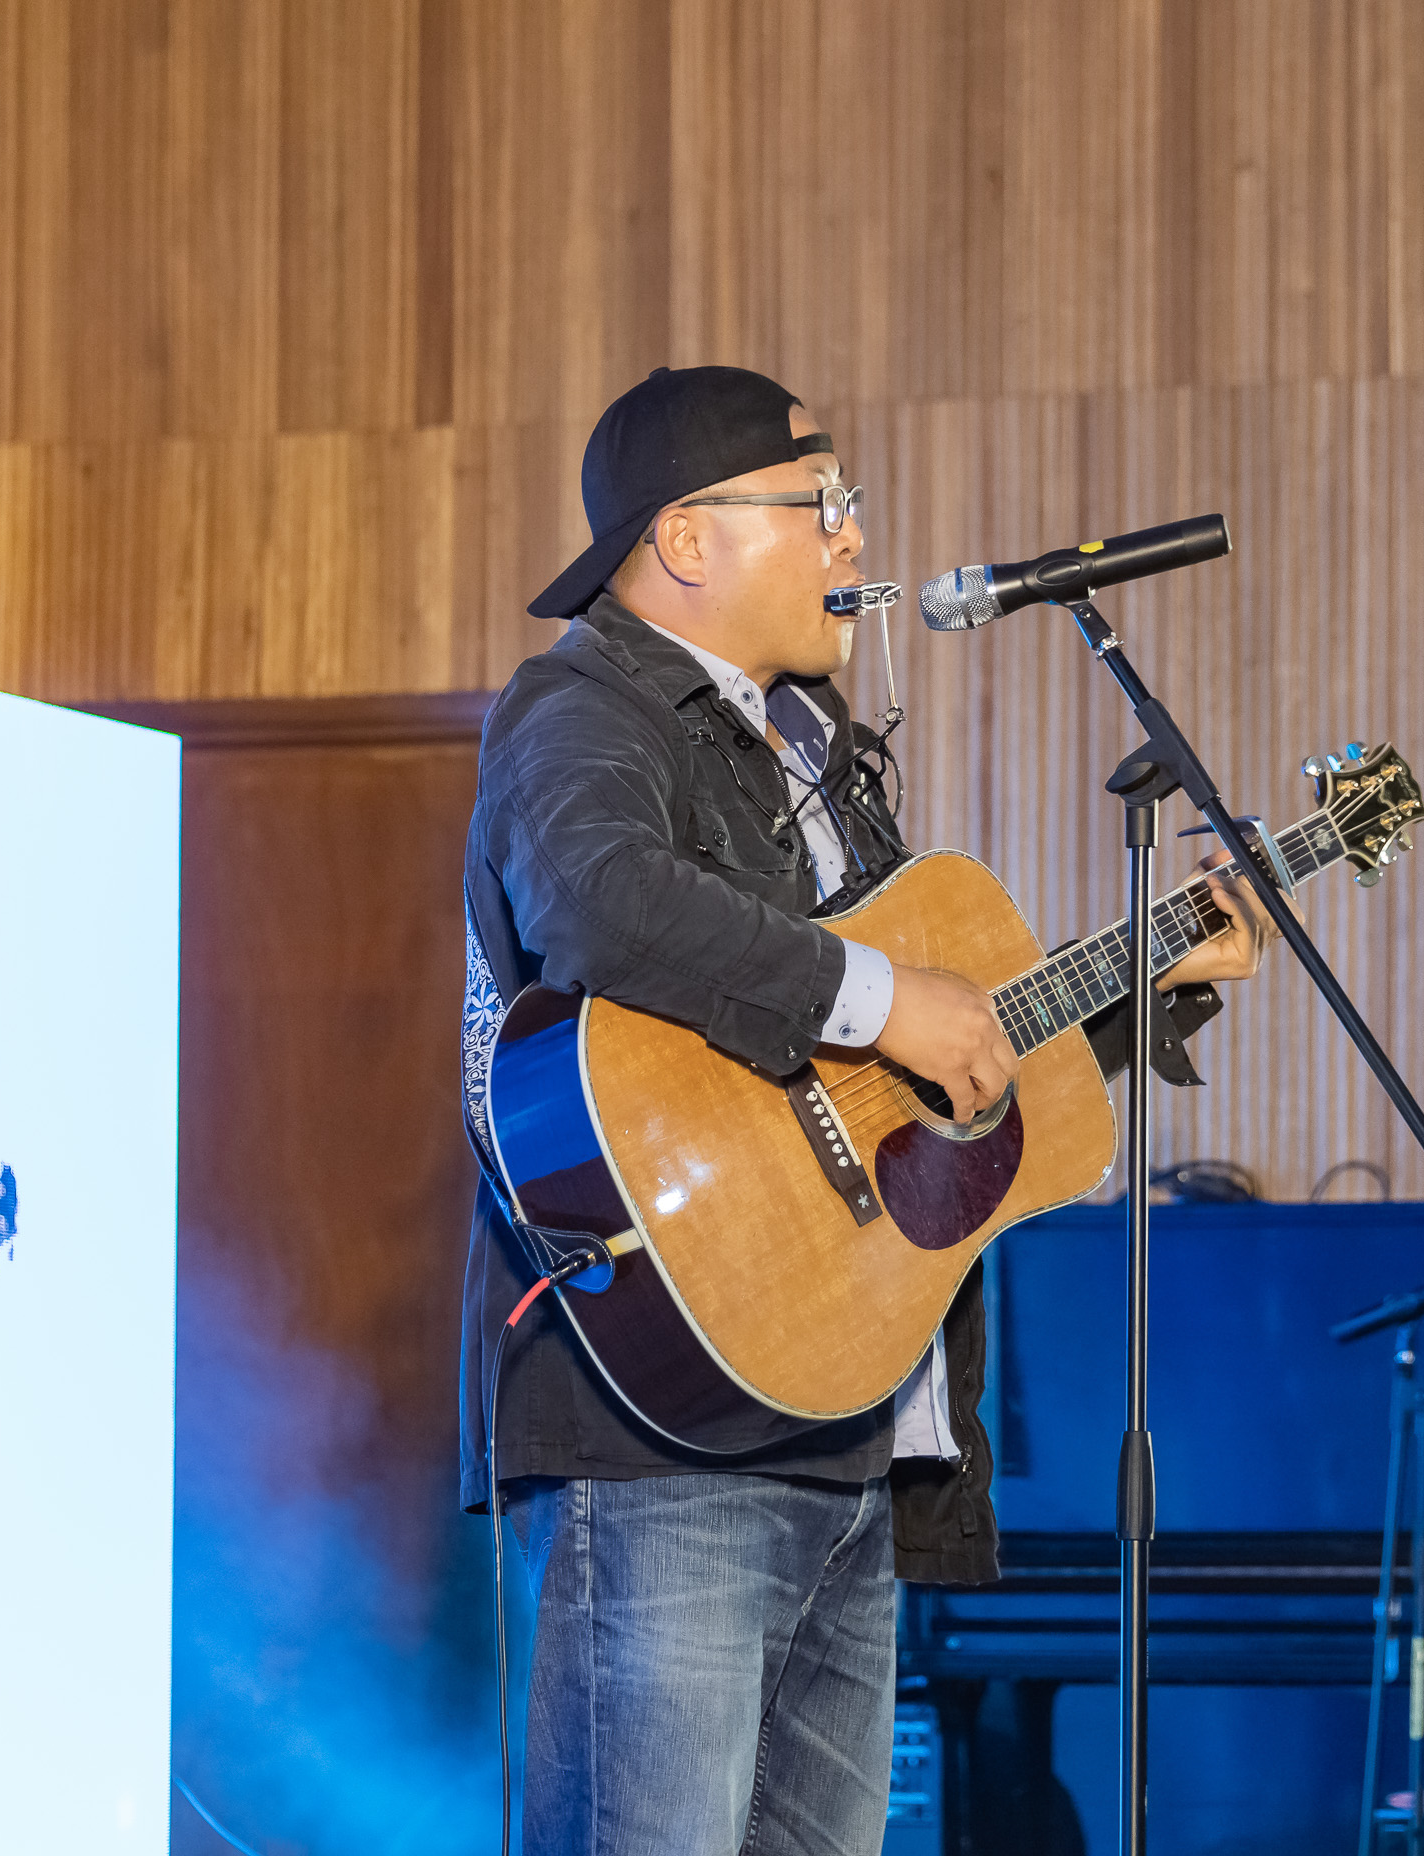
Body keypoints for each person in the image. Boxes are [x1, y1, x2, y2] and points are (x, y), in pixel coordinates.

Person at [458, 365, 1281, 1855]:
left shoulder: (823, 750)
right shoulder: (580, 704)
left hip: (856, 1428)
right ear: (689, 541)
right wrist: (887, 997)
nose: (854, 542)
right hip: (668, 1440)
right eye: (819, 506)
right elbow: (599, 900)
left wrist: (1151, 981)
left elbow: (934, 1085)